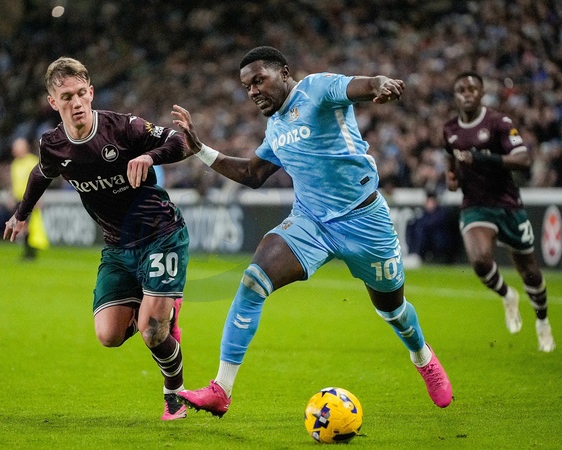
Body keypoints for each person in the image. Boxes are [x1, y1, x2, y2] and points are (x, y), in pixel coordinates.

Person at [171, 46, 453, 417]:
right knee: (253, 282)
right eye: (247, 86)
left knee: (393, 310)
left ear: (284, 73)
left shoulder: (317, 89)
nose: (253, 91)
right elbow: (253, 174)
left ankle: (423, 358)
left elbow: (362, 85)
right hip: (311, 223)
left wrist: (381, 85)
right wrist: (200, 150)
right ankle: (221, 389)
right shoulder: (276, 126)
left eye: (259, 80)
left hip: (364, 220)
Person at [3, 56, 191, 420]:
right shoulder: (54, 145)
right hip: (117, 246)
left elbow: (179, 140)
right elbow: (42, 174)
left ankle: (174, 393)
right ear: (53, 102)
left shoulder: (123, 127)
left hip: (160, 234)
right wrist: (21, 214)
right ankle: (156, 306)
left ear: (90, 92)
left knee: (152, 331)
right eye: (66, 96)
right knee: (108, 335)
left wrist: (150, 157)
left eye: (80, 93)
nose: (76, 102)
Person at [443, 71, 555, 352]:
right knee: (480, 261)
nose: (467, 94)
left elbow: (523, 159)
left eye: (472, 89)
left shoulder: (498, 123)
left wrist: (483, 158)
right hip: (475, 206)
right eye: (461, 89)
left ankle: (542, 321)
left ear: (482, 94)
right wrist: (451, 176)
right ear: (455, 96)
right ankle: (507, 295)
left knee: (530, 272)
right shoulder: (450, 129)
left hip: (507, 205)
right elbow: (450, 155)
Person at [9, 137, 49, 260]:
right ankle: (28, 251)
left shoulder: (32, 162)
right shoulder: (15, 164)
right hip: (19, 200)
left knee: (28, 226)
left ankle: (30, 252)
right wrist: (11, 196)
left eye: (17, 148)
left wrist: (38, 197)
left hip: (30, 200)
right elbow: (14, 183)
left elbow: (40, 181)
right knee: (22, 226)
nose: (14, 151)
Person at [405, 190, 457, 268]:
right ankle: (416, 255)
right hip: (425, 241)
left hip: (438, 241)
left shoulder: (442, 213)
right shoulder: (421, 213)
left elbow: (434, 224)